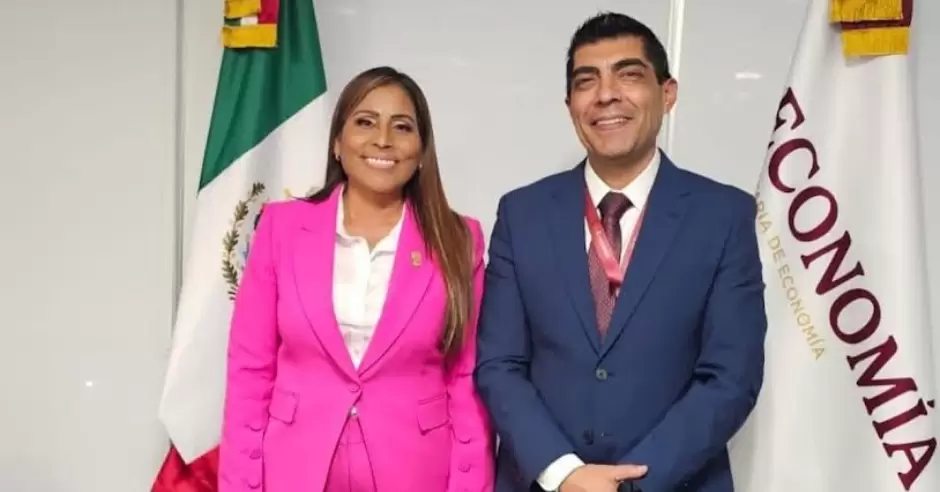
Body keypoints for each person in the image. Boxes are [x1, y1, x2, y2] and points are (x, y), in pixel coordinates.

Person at [474, 12, 767, 492]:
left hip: (675, 483)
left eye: (628, 75)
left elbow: (731, 377)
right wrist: (564, 473)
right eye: (586, 81)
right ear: (570, 105)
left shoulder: (723, 216)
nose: (606, 94)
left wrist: (630, 484)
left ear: (667, 93)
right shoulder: (521, 214)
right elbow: (499, 365)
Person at [218, 66, 495, 492]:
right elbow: (250, 371)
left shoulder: (458, 240)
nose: (383, 139)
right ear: (337, 142)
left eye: (402, 127)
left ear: (422, 149)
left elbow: (465, 379)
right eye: (365, 122)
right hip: (294, 468)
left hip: (416, 471)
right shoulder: (280, 228)